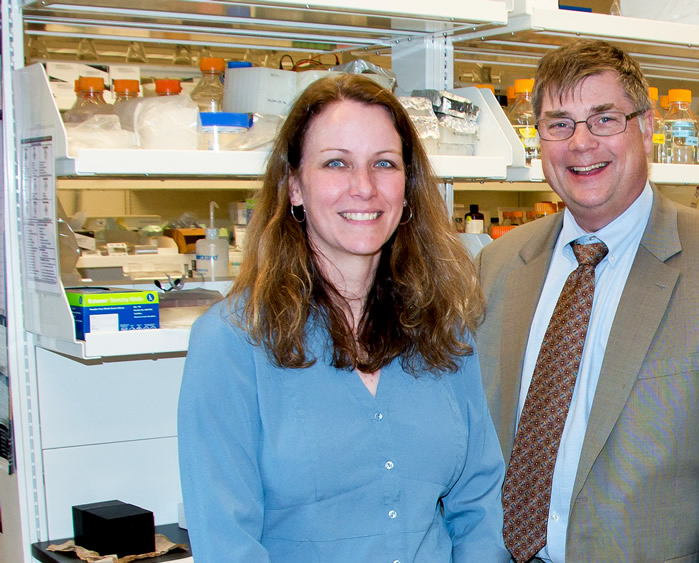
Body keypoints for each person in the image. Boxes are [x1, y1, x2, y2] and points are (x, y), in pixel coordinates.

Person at [475, 39, 699, 562]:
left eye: (604, 119)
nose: (581, 143)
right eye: (559, 123)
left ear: (647, 126)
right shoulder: (500, 265)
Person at [177, 74, 507, 562]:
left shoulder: (443, 328)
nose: (365, 187)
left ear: (408, 186)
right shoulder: (231, 342)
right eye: (336, 163)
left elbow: (479, 501)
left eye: (384, 164)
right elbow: (227, 542)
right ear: (294, 185)